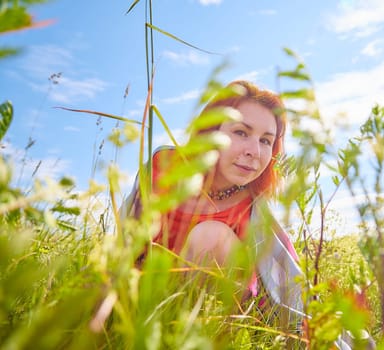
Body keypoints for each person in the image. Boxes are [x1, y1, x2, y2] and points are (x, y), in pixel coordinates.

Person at [121, 80, 357, 349]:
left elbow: (290, 291)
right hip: (150, 305)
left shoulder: (255, 210)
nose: (254, 152)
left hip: (236, 325)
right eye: (241, 132)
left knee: (210, 237)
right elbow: (124, 245)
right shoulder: (164, 168)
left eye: (266, 141)